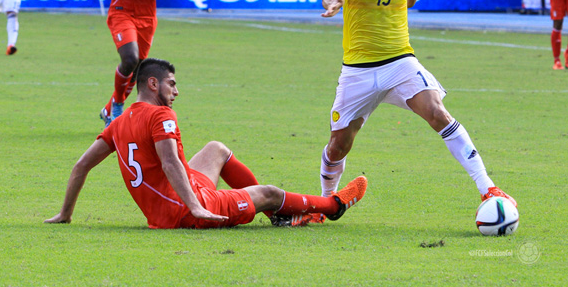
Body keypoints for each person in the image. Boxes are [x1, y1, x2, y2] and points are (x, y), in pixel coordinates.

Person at [318, 0, 516, 211]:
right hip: (358, 70)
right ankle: (324, 202)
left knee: (438, 112)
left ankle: (488, 188)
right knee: (338, 145)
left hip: (400, 62)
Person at [45, 58, 368, 228]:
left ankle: (277, 216)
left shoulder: (118, 122)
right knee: (268, 193)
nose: (176, 91)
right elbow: (171, 163)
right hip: (185, 211)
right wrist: (197, 206)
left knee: (215, 148)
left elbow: (81, 166)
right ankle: (333, 206)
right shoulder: (161, 116)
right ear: (153, 83)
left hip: (172, 202)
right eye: (171, 84)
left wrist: (65, 213)